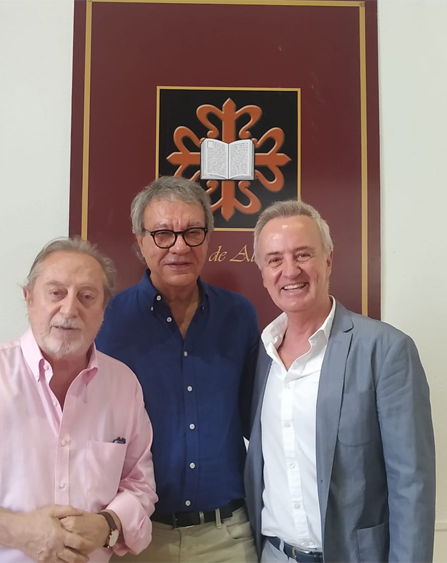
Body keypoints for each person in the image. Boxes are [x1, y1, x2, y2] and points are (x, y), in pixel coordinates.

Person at [0, 238, 157, 563]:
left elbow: (140, 484)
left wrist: (108, 524)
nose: (69, 309)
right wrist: (16, 530)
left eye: (87, 297)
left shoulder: (123, 385)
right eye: (56, 293)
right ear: (28, 299)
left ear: (104, 309)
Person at [245, 201, 435, 563]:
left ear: (328, 260)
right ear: (262, 272)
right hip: (273, 555)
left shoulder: (385, 350)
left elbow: (412, 485)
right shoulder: (260, 355)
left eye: (303, 254)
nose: (290, 270)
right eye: (274, 259)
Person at [96, 176, 260, 563]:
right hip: (137, 537)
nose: (180, 247)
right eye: (163, 234)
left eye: (193, 232)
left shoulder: (239, 315)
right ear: (140, 240)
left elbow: (257, 418)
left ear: (209, 238)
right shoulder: (107, 321)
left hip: (228, 537)